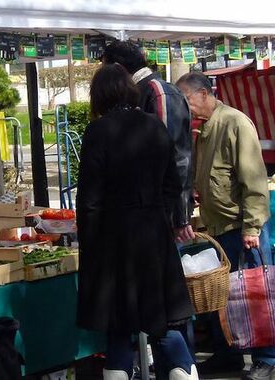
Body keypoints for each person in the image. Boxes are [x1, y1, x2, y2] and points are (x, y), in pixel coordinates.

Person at [76, 64, 197, 380]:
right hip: (154, 235)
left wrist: (89, 244)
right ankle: (183, 371)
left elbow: (89, 200)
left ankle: (119, 372)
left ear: (98, 96)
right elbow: (174, 181)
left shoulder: (98, 132)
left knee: (119, 323)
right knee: (163, 317)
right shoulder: (155, 127)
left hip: (114, 239)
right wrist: (159, 212)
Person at [177, 71, 275, 379]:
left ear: (204, 94)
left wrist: (252, 228)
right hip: (217, 227)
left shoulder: (235, 123)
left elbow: (254, 182)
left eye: (186, 99)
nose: (184, 106)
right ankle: (229, 354)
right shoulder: (204, 130)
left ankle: (267, 357)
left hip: (240, 226)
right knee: (225, 297)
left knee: (255, 292)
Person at [103, 41, 195, 242]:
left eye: (104, 68)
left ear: (118, 68)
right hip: (141, 214)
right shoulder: (136, 91)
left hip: (160, 215)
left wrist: (178, 216)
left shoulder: (158, 92)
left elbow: (176, 157)